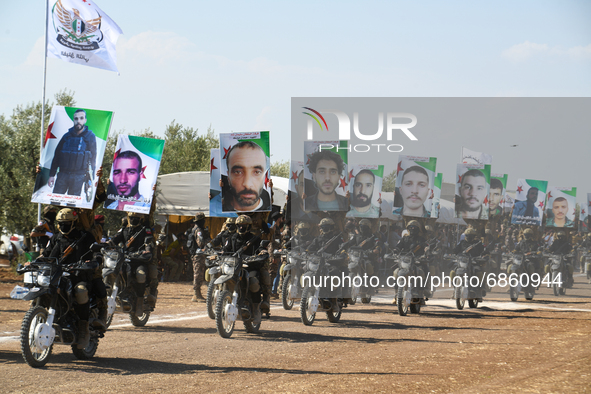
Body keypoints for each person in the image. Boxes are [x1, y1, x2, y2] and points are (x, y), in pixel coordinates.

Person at [42, 208, 107, 348]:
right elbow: (46, 254)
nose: (63, 226)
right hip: (59, 275)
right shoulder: (56, 238)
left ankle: (83, 329)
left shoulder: (85, 237)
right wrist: (35, 262)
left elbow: (96, 253)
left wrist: (95, 260)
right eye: (61, 223)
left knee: (81, 291)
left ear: (74, 223)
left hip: (79, 277)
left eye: (67, 223)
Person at [109, 212, 156, 315]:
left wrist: (147, 250)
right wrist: (107, 244)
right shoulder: (125, 230)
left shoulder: (145, 230)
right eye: (131, 218)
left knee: (141, 275)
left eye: (136, 218)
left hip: (139, 260)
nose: (133, 220)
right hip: (124, 259)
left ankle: (139, 302)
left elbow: (148, 242)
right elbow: (115, 239)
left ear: (141, 219)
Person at [225, 215, 270, 318]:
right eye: (240, 225)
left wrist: (262, 252)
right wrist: (220, 253)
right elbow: (226, 249)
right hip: (235, 267)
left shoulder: (254, 239)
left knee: (253, 282)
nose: (241, 228)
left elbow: (260, 249)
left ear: (249, 226)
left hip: (250, 267)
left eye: (244, 225)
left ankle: (256, 310)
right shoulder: (232, 238)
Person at [48, 109, 97, 196]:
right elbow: (57, 156)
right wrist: (52, 175)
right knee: (55, 201)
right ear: (73, 120)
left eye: (81, 118)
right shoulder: (66, 136)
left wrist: (89, 181)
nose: (78, 121)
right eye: (76, 119)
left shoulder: (90, 137)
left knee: (72, 205)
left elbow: (93, 159)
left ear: (85, 120)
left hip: (78, 176)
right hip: (63, 174)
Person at [221, 141, 271, 212]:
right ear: (228, 177)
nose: (247, 185)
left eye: (257, 172)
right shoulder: (218, 207)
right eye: (238, 172)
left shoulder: (270, 211)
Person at [185, 212, 211, 302]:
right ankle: (196, 295)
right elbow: (201, 243)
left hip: (198, 254)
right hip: (198, 254)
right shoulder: (198, 230)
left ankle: (197, 294)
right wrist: (208, 240)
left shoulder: (196, 229)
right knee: (198, 274)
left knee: (199, 273)